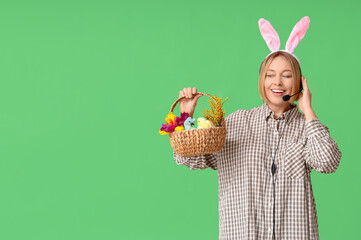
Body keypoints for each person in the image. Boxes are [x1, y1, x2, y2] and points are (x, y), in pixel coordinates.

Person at [173, 16, 342, 240]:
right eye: (270, 75)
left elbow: (328, 162)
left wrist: (308, 110)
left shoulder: (306, 128)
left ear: (299, 83)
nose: (277, 83)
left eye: (287, 76)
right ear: (262, 80)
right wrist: (186, 116)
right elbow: (189, 158)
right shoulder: (235, 123)